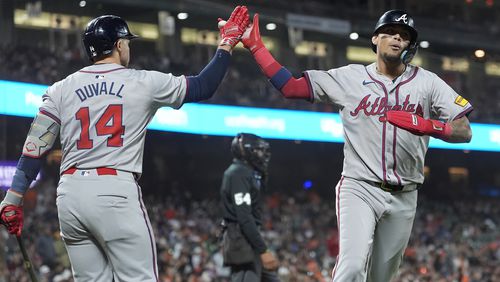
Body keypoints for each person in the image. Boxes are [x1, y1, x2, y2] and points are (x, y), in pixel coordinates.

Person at [0, 7, 249, 281]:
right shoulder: (142, 81)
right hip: (114, 190)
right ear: (118, 45)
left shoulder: (60, 88)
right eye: (127, 41)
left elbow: (35, 147)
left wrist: (13, 199)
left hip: (69, 195)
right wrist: (226, 44)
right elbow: (204, 86)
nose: (128, 47)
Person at [241, 10, 473, 282]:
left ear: (410, 45)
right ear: (375, 38)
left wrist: (429, 125)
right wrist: (256, 47)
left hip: (406, 193)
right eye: (390, 33)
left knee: (380, 278)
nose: (397, 39)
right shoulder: (349, 77)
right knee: (351, 269)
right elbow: (291, 87)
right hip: (359, 186)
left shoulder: (428, 82)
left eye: (404, 36)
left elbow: (465, 130)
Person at [220, 133, 280, 282]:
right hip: (241, 240)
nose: (262, 155)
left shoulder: (245, 172)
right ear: (247, 152)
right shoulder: (238, 173)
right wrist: (263, 249)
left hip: (246, 239)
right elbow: (244, 217)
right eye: (258, 151)